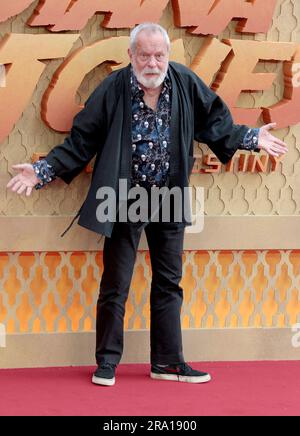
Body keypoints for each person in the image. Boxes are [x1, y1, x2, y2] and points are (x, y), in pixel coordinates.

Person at [6, 23, 288, 386]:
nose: (152, 63)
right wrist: (42, 171)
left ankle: (167, 362)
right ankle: (107, 362)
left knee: (170, 282)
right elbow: (82, 140)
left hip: (168, 195)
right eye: (144, 55)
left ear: (168, 56)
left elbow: (216, 123)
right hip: (123, 197)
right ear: (131, 55)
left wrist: (251, 137)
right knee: (116, 282)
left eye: (159, 55)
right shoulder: (112, 88)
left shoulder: (185, 83)